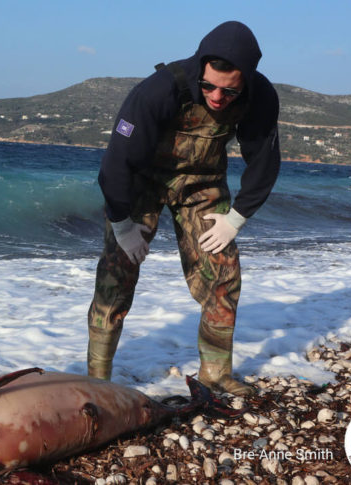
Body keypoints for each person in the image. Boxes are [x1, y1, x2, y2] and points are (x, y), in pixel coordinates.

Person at [87, 21, 280, 396]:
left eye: (229, 91)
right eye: (208, 86)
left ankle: (216, 372)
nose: (217, 97)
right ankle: (97, 381)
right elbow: (116, 163)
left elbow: (264, 162)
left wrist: (236, 218)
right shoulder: (157, 91)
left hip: (202, 184)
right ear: (200, 68)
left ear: (247, 81)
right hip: (140, 183)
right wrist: (123, 224)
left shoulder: (260, 97)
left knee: (223, 272)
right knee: (116, 276)